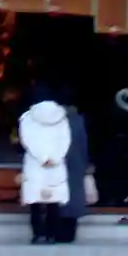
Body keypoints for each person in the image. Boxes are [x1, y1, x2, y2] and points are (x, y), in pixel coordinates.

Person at [18, 87, 72, 244]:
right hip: (56, 164)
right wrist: (55, 157)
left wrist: (42, 157)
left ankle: (38, 234)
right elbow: (65, 140)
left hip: (35, 163)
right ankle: (51, 234)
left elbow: (26, 139)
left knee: (36, 201)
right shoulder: (62, 117)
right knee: (54, 201)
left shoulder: (27, 117)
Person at [57, 97, 91, 244]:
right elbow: (84, 145)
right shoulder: (77, 120)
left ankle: (51, 232)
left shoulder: (48, 120)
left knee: (55, 199)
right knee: (72, 198)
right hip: (75, 163)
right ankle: (68, 234)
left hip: (54, 162)